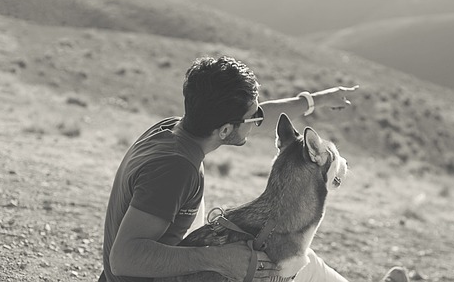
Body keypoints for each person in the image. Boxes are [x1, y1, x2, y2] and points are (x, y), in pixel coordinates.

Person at [99, 56, 359, 282]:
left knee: (292, 254)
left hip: (166, 253)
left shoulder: (175, 129)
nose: (258, 120)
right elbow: (123, 259)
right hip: (144, 275)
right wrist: (218, 259)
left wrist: (318, 100)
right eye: (252, 117)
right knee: (302, 265)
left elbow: (263, 117)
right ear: (225, 130)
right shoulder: (176, 169)